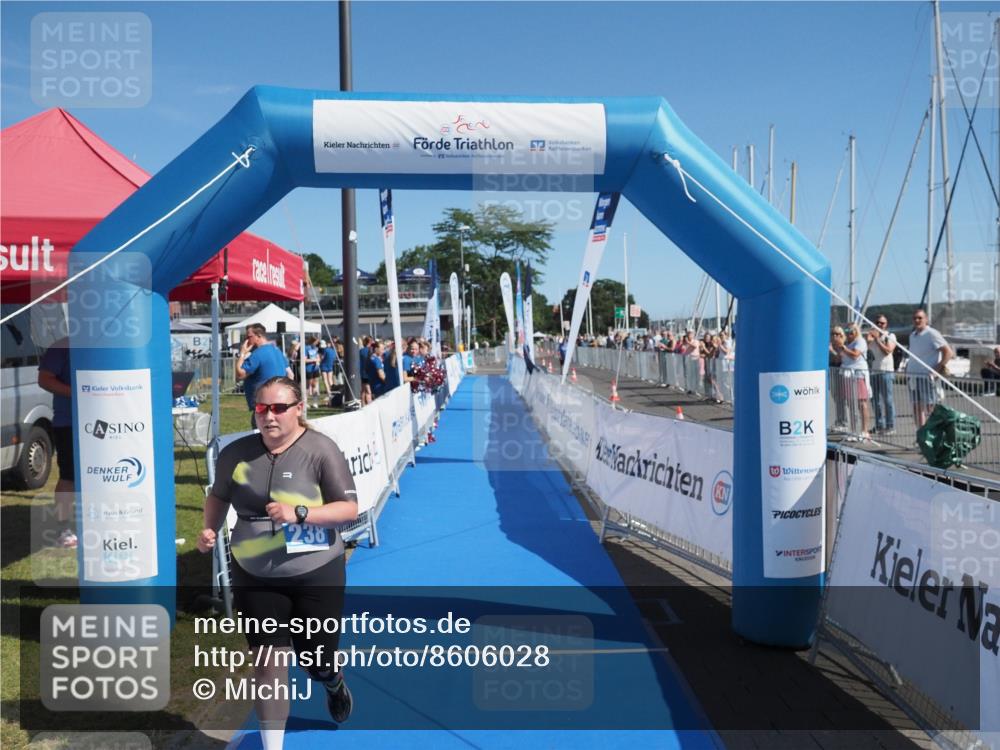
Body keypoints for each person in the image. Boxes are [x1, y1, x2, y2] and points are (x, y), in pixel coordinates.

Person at [197, 377, 358, 748]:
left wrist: (299, 512)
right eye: (261, 408)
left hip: (315, 569)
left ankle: (331, 679)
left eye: (279, 408)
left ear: (299, 409)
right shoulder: (236, 454)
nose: (269, 417)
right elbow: (218, 497)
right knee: (268, 662)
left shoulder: (320, 449)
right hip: (254, 571)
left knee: (315, 654)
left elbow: (348, 509)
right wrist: (209, 529)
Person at [37, 338, 77, 548]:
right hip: (69, 422)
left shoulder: (112, 343)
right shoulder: (63, 346)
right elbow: (44, 379)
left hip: (107, 421)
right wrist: (77, 393)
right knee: (69, 477)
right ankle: (64, 529)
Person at [236, 324, 293, 428]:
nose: (246, 340)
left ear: (259, 336)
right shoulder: (277, 351)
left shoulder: (258, 354)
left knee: (261, 438)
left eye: (249, 336)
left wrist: (242, 353)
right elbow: (290, 375)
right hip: (280, 405)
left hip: (264, 407)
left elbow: (240, 374)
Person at [906, 309, 953, 429]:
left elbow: (948, 352)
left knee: (931, 407)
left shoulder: (932, 333)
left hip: (927, 377)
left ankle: (935, 435)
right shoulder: (912, 335)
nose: (917, 320)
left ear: (926, 319)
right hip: (913, 376)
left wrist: (936, 370)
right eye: (915, 318)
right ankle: (921, 434)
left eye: (920, 318)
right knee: (916, 407)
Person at [839, 323, 872, 441]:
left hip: (858, 374)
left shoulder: (860, 341)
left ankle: (864, 431)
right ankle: (854, 431)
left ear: (856, 331)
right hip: (848, 374)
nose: (848, 333)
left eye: (851, 331)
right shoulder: (849, 342)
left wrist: (843, 347)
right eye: (847, 331)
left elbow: (855, 355)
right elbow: (842, 356)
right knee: (850, 403)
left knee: (862, 403)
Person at [866, 316, 898, 434]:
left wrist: (877, 339)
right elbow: (867, 351)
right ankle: (879, 425)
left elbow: (888, 351)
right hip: (874, 371)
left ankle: (890, 426)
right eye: (877, 322)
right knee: (875, 400)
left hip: (886, 371)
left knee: (887, 400)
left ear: (886, 324)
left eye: (882, 323)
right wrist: (869, 340)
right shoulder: (872, 337)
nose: (880, 324)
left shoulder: (890, 336)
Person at [304, 337, 321, 403]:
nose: (317, 343)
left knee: (315, 385)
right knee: (308, 386)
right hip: (309, 369)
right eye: (316, 342)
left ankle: (315, 402)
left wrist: (318, 360)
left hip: (315, 368)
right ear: (312, 341)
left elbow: (317, 357)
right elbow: (304, 360)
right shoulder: (306, 348)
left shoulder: (315, 348)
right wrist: (314, 360)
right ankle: (305, 402)